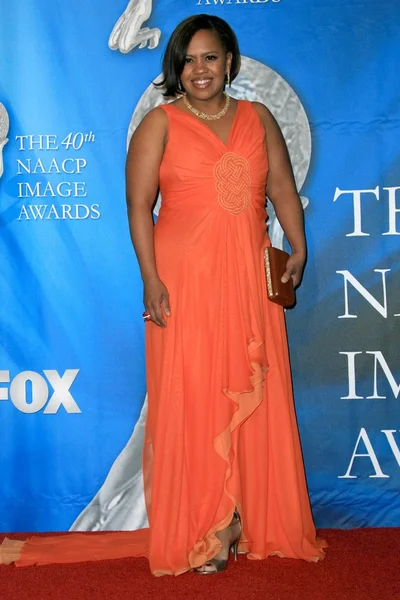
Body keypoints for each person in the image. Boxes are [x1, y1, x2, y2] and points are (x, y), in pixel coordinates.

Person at [0, 14, 326, 576]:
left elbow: (280, 188)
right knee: (197, 399)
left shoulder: (259, 117)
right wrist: (151, 279)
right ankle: (208, 527)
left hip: (248, 279)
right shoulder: (161, 123)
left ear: (230, 62)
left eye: (210, 58)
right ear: (175, 66)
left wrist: (297, 247)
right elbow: (137, 208)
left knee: (249, 393)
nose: (199, 70)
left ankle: (243, 516)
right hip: (183, 280)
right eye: (188, 59)